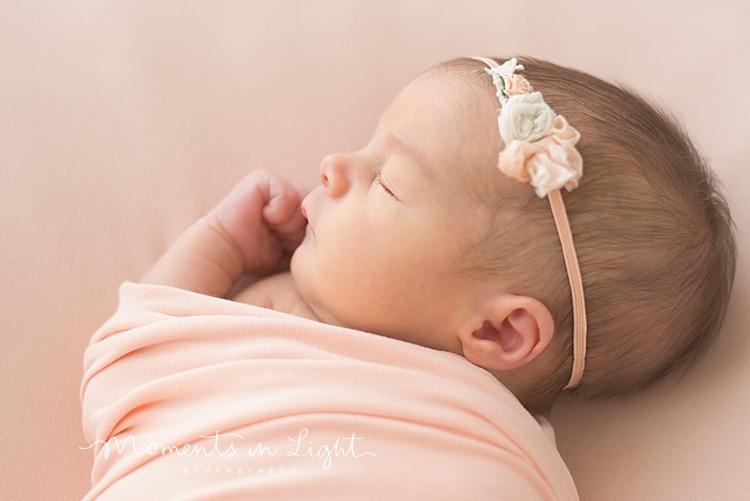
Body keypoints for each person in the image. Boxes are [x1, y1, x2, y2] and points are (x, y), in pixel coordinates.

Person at [142, 56, 736, 415]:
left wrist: (226, 245)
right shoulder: (272, 307)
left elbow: (138, 362)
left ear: (498, 331)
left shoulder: (491, 443)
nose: (332, 164)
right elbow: (134, 375)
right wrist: (221, 245)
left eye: (389, 181)